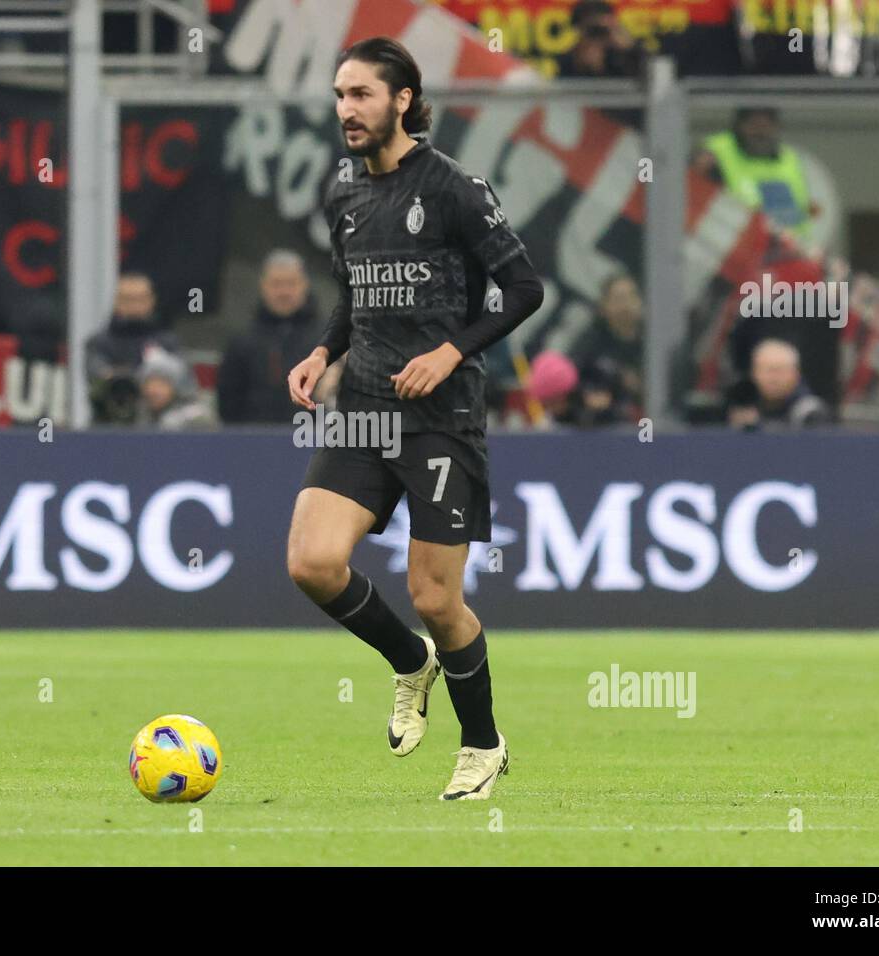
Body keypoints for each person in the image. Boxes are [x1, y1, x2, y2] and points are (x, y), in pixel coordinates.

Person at [285, 37, 543, 801]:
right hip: (363, 403)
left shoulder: (458, 188)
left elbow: (525, 289)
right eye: (339, 95)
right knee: (311, 563)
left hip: (440, 415)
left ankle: (483, 743)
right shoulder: (344, 194)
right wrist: (324, 350)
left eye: (362, 94)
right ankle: (409, 660)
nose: (346, 110)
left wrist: (450, 352)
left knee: (436, 596)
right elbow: (352, 292)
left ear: (403, 99)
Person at [217, 250, 324, 424]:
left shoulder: (326, 340)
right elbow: (228, 404)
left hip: (314, 440)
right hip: (253, 442)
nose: (284, 292)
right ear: (263, 286)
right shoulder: (242, 340)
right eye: (276, 284)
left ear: (305, 285)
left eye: (291, 283)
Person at [693, 108, 819, 244]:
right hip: (739, 251)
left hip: (789, 251)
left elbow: (800, 210)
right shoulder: (717, 151)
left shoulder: (789, 158)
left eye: (767, 126)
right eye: (754, 125)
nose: (761, 132)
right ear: (739, 126)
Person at [85, 273, 179, 425]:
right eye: (128, 300)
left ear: (151, 301)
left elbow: (184, 385)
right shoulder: (98, 344)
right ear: (117, 302)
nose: (135, 306)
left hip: (160, 425)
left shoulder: (167, 343)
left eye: (140, 299)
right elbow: (97, 377)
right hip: (108, 425)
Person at [568, 271, 644, 416]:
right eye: (618, 299)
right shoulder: (589, 342)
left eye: (631, 297)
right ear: (603, 305)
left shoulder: (653, 341)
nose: (626, 305)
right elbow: (570, 378)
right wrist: (587, 396)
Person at [738, 339, 830, 430]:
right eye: (767, 371)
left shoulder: (811, 413)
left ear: (796, 375)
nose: (774, 379)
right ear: (753, 373)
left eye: (780, 371)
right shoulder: (739, 406)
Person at [134, 348, 216, 431]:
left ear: (178, 387)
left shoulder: (196, 417)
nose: (153, 391)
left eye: (161, 384)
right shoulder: (138, 416)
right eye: (149, 383)